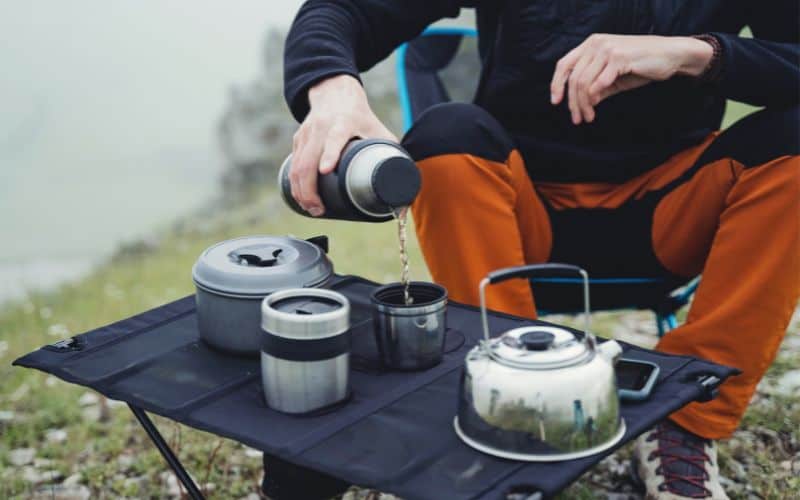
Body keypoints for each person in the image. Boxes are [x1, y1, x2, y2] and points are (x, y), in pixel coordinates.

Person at [280, 1, 799, 498]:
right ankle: (511, 415)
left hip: (675, 217)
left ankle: (685, 422)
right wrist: (331, 93)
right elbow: (345, 9)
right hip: (519, 220)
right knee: (446, 133)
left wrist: (696, 54)